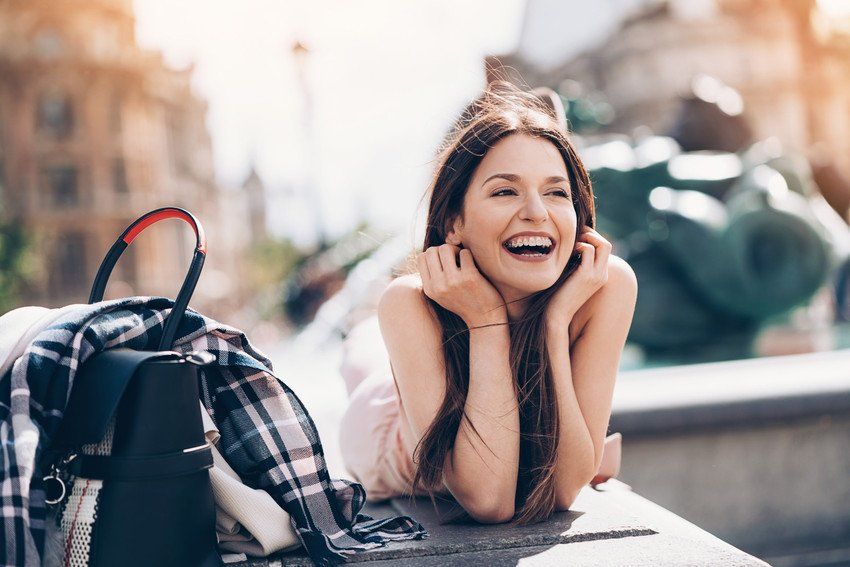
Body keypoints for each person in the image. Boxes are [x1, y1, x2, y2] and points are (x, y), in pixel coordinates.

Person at [338, 81, 638, 525]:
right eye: (505, 191)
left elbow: (563, 489)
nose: (537, 212)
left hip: (477, 406)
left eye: (557, 192)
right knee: (363, 351)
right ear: (454, 222)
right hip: (387, 431)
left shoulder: (604, 284)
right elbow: (490, 501)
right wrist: (485, 321)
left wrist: (554, 326)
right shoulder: (408, 303)